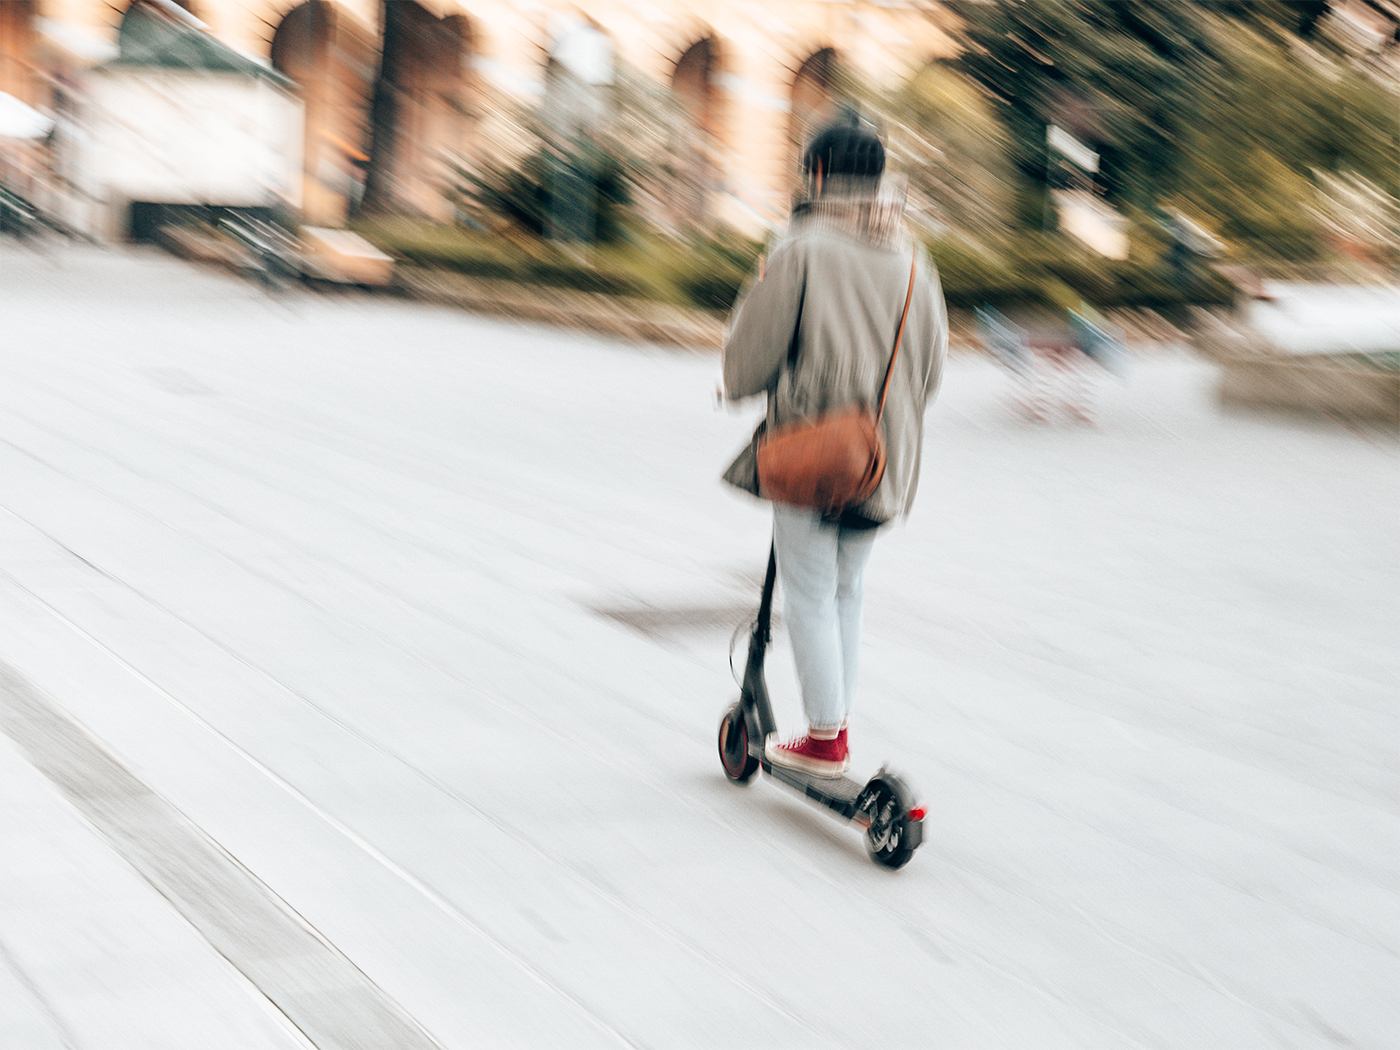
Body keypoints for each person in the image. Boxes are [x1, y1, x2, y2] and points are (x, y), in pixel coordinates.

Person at [720, 114, 947, 778]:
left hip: (815, 452)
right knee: (848, 589)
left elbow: (748, 362)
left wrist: (743, 383)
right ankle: (834, 724)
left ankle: (825, 739)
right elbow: (932, 372)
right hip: (885, 452)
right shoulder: (914, 259)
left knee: (812, 592)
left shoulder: (800, 247)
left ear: (817, 175)